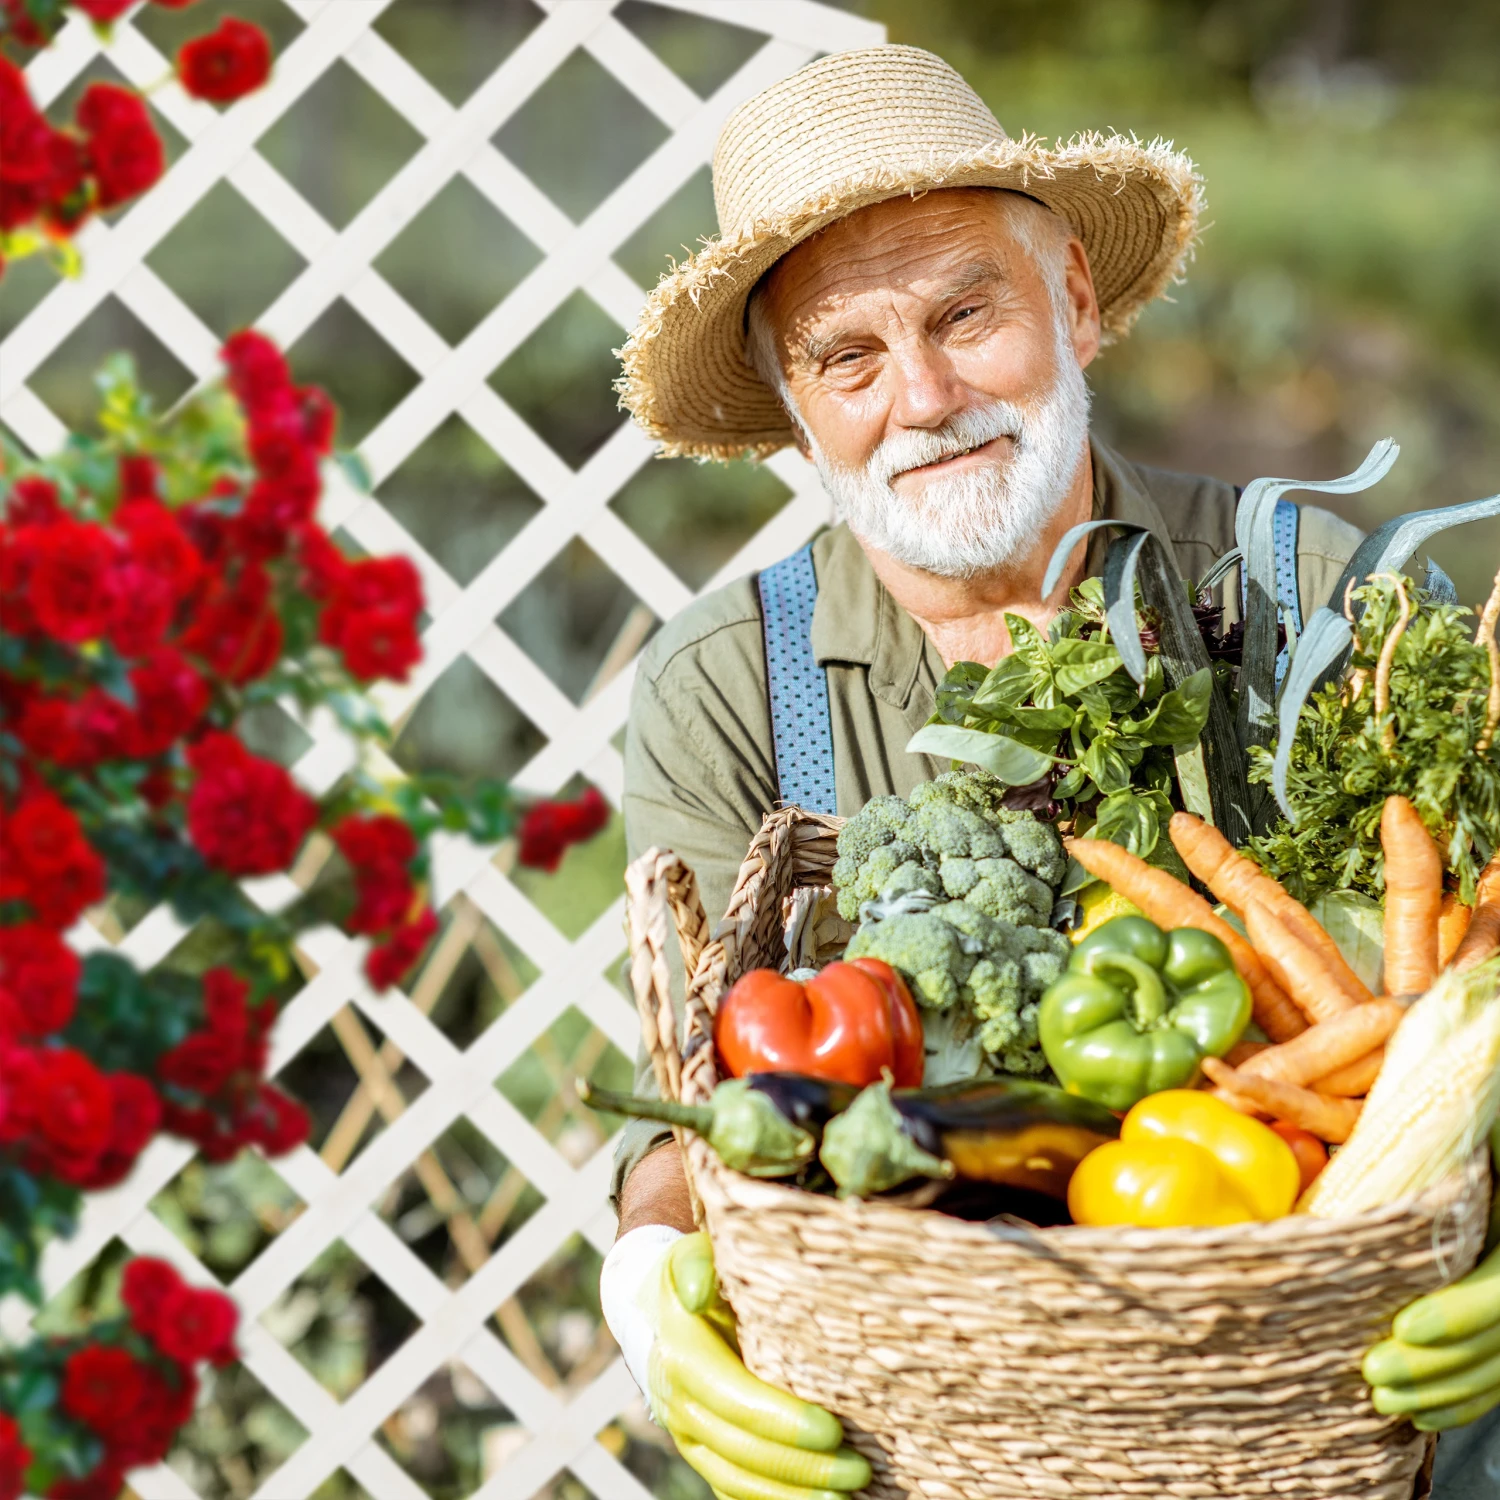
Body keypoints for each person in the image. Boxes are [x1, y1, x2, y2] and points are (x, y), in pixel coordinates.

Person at [599, 43, 1500, 1500]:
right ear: (793, 405)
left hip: (1330, 1404)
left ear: (1074, 300)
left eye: (967, 314)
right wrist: (650, 1277)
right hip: (932, 1429)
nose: (924, 396)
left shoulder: (1312, 594)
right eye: (848, 357)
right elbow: (697, 1100)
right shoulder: (727, 685)